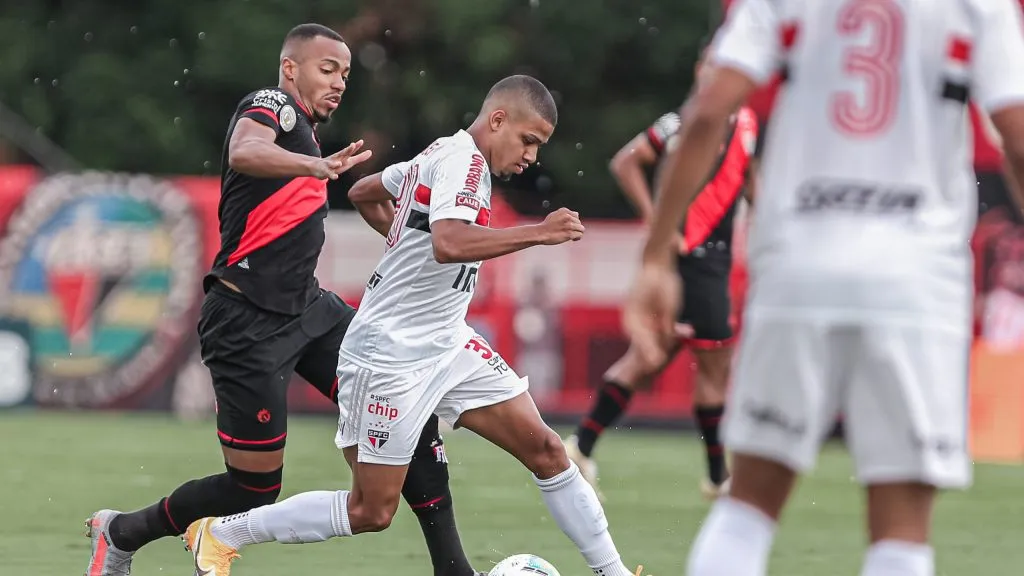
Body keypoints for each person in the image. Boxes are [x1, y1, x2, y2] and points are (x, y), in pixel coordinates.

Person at [183, 74, 645, 576]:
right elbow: (449, 242)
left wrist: (405, 243)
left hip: (447, 341)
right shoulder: (462, 162)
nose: (531, 156)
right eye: (528, 141)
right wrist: (538, 233)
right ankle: (223, 531)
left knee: (547, 449)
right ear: (497, 120)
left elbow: (363, 191)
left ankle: (613, 572)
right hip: (390, 355)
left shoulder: (442, 153)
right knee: (370, 511)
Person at [623, 0, 1024, 574]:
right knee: (902, 536)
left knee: (747, 511)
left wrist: (656, 256)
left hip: (799, 263)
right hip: (917, 276)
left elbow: (710, 109)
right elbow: (1017, 136)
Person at [85, 23, 485, 576]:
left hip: (310, 311)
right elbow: (245, 150)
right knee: (254, 485)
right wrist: (313, 166)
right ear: (291, 69)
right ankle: (122, 530)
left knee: (407, 408)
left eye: (346, 73)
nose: (340, 82)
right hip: (244, 318)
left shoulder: (307, 134)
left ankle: (454, 569)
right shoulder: (274, 104)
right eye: (328, 69)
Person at [563, 46, 759, 501]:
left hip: (707, 258)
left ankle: (583, 444)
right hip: (696, 259)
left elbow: (748, 182)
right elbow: (625, 161)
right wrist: (658, 222)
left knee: (650, 356)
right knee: (712, 364)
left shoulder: (738, 125)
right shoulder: (689, 123)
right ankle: (717, 477)